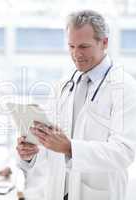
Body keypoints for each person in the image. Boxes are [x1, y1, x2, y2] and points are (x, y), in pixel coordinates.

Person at [16, 10, 136, 200]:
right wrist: (30, 152)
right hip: (56, 192)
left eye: (84, 46)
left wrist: (70, 148)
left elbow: (124, 152)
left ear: (104, 43)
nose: (76, 54)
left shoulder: (125, 87)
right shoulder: (63, 86)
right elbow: (51, 147)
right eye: (71, 46)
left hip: (98, 194)